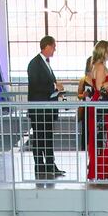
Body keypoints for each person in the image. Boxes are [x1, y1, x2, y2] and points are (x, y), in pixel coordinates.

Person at [78, 41, 108, 181]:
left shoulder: (98, 65)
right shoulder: (100, 66)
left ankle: (105, 170)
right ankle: (104, 170)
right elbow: (100, 86)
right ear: (103, 51)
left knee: (105, 138)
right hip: (103, 107)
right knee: (105, 138)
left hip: (103, 105)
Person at [26, 36, 63, 179]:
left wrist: (57, 90)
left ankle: (50, 165)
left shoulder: (45, 63)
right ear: (47, 46)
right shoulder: (34, 64)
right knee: (39, 138)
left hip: (48, 109)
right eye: (54, 46)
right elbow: (36, 85)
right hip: (39, 110)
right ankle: (40, 167)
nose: (55, 49)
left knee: (47, 138)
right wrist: (54, 86)